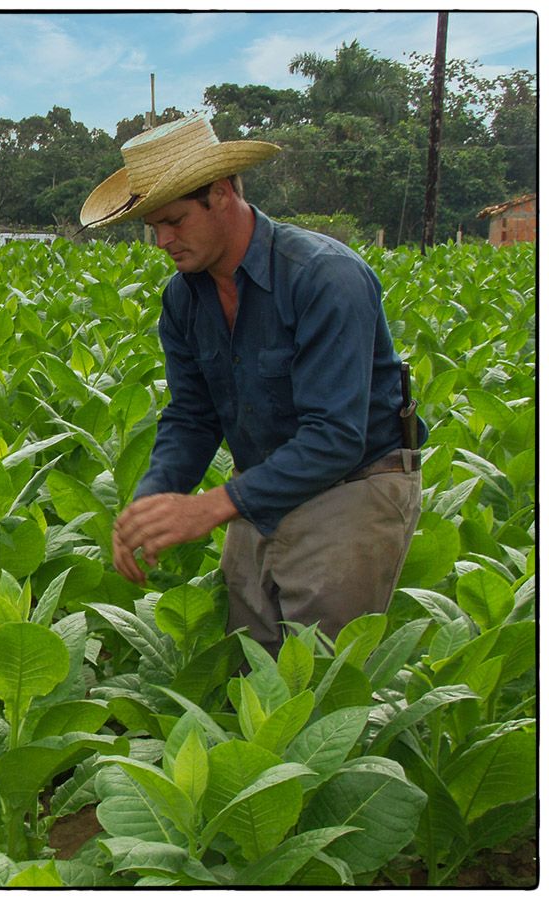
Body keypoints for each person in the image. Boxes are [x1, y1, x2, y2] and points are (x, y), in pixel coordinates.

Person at [80, 116, 426, 656]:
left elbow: (335, 437)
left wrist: (209, 506)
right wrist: (153, 502)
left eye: (173, 220)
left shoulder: (323, 277)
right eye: (152, 227)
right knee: (249, 666)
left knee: (318, 681)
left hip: (353, 488)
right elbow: (193, 415)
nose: (161, 241)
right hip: (260, 487)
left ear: (220, 193)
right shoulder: (183, 298)